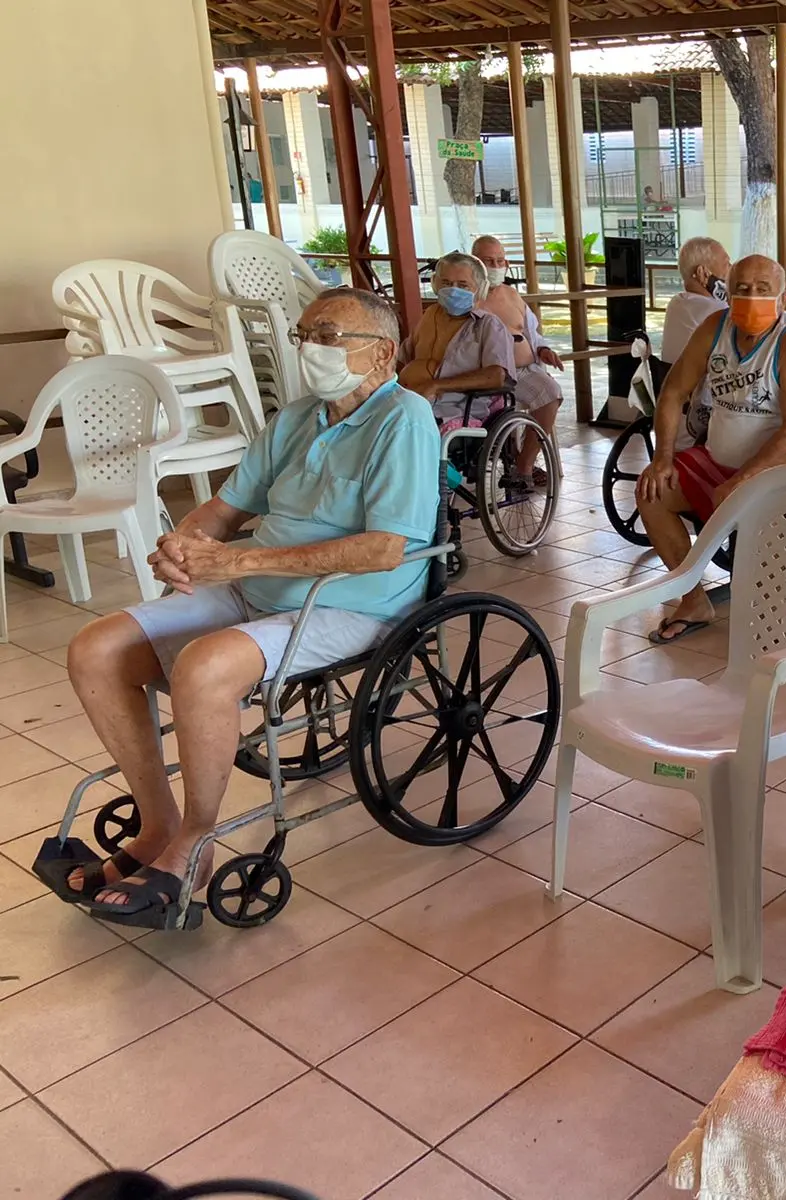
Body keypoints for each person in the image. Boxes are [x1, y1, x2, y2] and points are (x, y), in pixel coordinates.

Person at [52, 289, 440, 924]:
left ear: (381, 353)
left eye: (328, 336)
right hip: (260, 584)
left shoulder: (405, 420)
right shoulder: (297, 418)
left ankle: (194, 843)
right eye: (303, 335)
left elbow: (383, 549)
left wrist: (236, 563)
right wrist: (185, 545)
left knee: (205, 667)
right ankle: (157, 825)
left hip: (353, 602)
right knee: (96, 647)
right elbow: (226, 510)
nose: (310, 349)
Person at [636, 255, 786, 642]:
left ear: (784, 298)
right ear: (728, 293)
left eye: (763, 290)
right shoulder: (715, 327)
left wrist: (742, 480)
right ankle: (693, 600)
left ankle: (777, 620)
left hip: (785, 467)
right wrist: (662, 458)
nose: (751, 297)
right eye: (742, 289)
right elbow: (672, 392)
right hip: (718, 460)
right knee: (651, 492)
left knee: (770, 582)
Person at [395, 252, 536, 481]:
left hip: (457, 408)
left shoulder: (488, 326)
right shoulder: (429, 316)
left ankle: (436, 478)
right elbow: (404, 357)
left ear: (479, 289)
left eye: (463, 285)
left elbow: (497, 376)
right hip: (412, 402)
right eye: (446, 283)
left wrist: (437, 385)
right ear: (435, 284)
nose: (453, 290)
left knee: (404, 441)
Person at [471, 235, 565, 449]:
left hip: (524, 371)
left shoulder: (512, 294)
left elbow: (531, 332)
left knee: (551, 392)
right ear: (475, 263)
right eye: (488, 261)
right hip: (489, 374)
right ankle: (512, 454)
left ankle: (525, 464)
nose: (495, 267)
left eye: (500, 261)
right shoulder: (469, 299)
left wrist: (543, 349)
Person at [662, 236, 732, 450]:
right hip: (703, 426)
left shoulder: (677, 303)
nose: (730, 271)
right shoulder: (715, 311)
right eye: (727, 264)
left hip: (679, 425)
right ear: (703, 273)